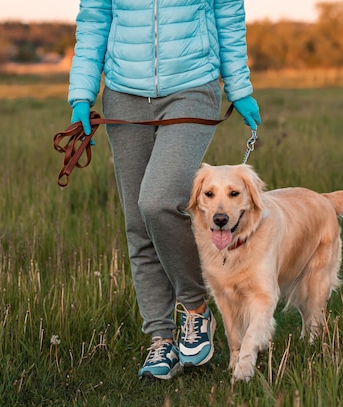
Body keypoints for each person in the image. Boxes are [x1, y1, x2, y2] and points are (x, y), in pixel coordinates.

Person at [68, 0, 261, 380]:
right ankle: (161, 340)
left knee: (157, 202)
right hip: (124, 93)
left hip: (192, 87)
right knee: (138, 222)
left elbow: (228, 15)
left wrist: (238, 86)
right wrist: (81, 96)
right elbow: (93, 22)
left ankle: (195, 308)